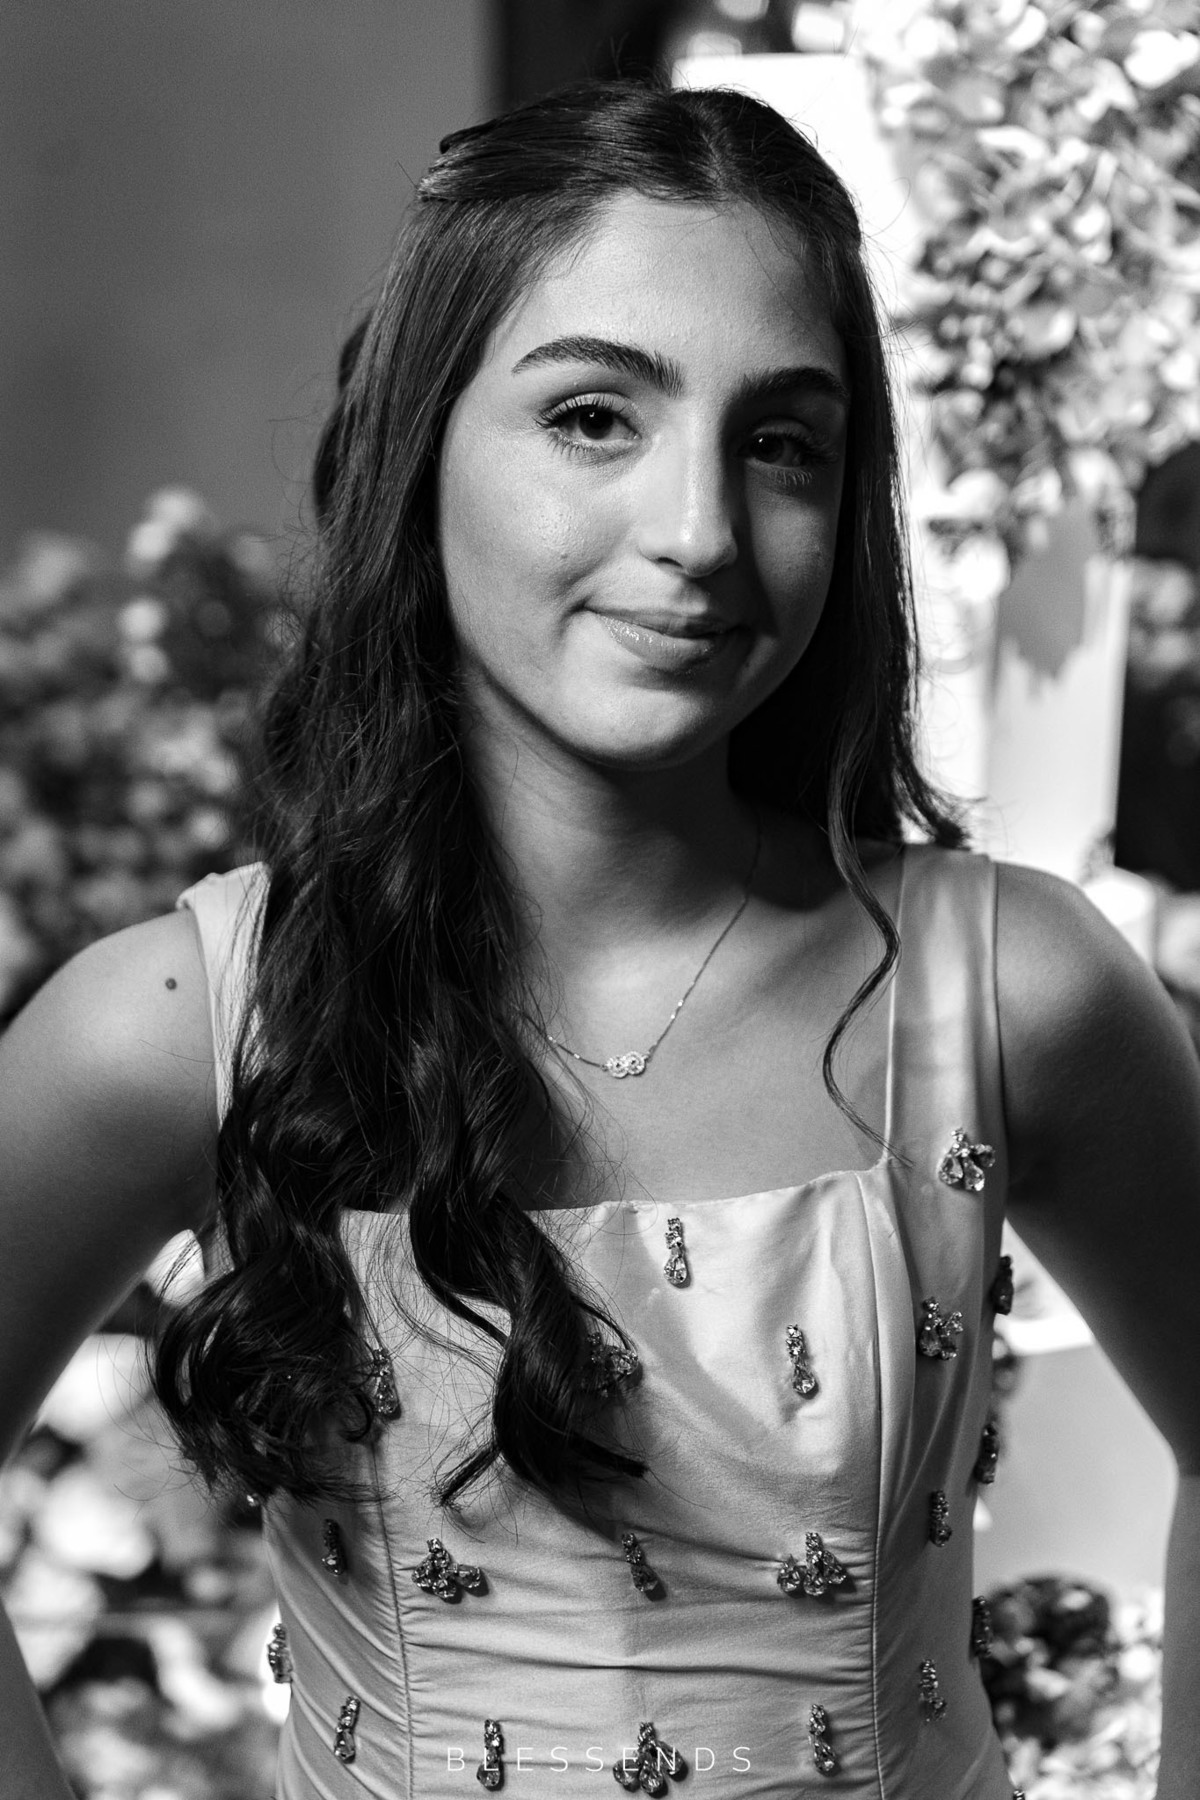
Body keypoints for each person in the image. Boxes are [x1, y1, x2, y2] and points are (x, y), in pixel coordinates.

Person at [1, 76, 1198, 1800]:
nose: (698, 533)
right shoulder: (186, 1021)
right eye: (591, 418)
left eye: (781, 443)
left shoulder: (1013, 991)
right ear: (421, 449)